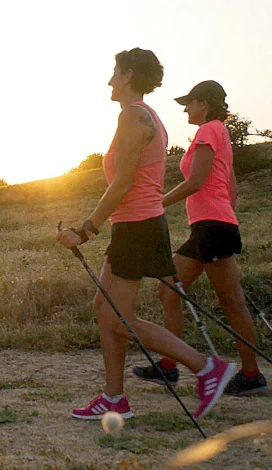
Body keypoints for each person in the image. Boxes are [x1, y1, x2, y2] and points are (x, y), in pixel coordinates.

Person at [56, 49, 236, 420]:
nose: (109, 80)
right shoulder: (143, 116)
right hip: (135, 225)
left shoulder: (133, 117)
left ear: (128, 75)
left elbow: (122, 183)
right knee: (105, 310)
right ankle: (114, 398)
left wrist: (86, 229)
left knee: (118, 317)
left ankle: (204, 367)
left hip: (138, 226)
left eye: (114, 73)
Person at [132, 80, 268, 396]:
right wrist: (221, 216)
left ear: (204, 103)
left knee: (231, 302)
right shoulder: (218, 133)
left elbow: (195, 181)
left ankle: (252, 375)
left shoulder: (209, 130)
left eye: (189, 103)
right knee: (169, 289)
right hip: (210, 227)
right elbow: (230, 188)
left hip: (213, 227)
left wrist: (157, 202)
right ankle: (168, 367)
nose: (185, 109)